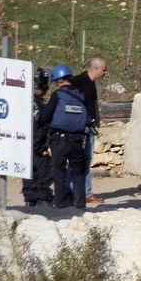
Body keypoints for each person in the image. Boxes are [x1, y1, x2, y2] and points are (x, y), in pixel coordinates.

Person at [40, 64, 90, 209]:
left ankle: (60, 205)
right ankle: (80, 205)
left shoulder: (57, 95)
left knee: (59, 173)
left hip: (59, 141)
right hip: (78, 141)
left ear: (59, 80)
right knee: (78, 174)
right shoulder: (81, 95)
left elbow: (44, 116)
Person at [65, 57, 108, 204]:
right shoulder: (79, 81)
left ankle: (84, 192)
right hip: (80, 128)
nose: (105, 73)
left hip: (89, 128)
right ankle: (72, 192)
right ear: (96, 69)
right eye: (104, 70)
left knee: (86, 160)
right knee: (77, 160)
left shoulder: (90, 82)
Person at [22, 67, 54, 207]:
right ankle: (43, 199)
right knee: (44, 173)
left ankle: (31, 199)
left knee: (29, 174)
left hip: (25, 144)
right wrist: (42, 146)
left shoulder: (24, 100)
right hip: (36, 145)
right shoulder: (37, 105)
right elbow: (40, 126)